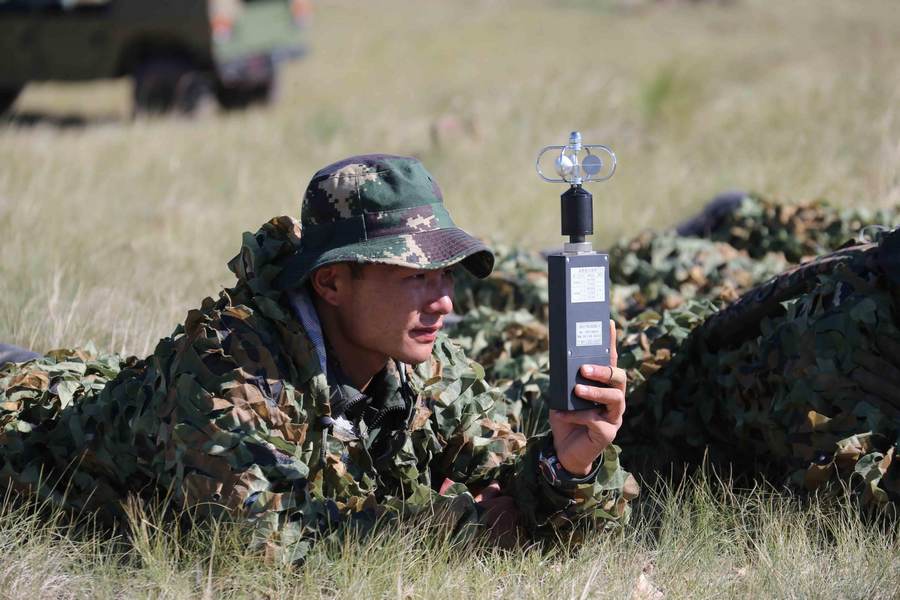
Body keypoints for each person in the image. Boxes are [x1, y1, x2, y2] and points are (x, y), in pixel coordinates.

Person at [0, 154, 636, 561]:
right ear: (331, 283)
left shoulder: (424, 363)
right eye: (414, 275)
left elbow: (537, 510)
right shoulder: (235, 369)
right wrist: (454, 528)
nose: (442, 300)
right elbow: (260, 548)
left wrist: (569, 466)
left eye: (447, 274)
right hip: (28, 432)